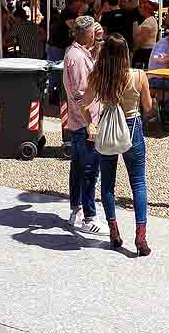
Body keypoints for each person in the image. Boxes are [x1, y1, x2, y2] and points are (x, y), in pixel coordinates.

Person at [82, 35, 153, 256]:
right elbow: (148, 107)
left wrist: (90, 125)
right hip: (132, 128)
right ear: (126, 53)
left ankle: (114, 231)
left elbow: (84, 105)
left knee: (108, 183)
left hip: (108, 128)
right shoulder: (138, 76)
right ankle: (140, 235)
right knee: (138, 183)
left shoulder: (98, 77)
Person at [62, 16, 106, 236]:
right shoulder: (77, 58)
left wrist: (97, 44)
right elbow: (81, 95)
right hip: (85, 123)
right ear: (87, 33)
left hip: (80, 122)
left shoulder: (78, 53)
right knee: (89, 170)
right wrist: (92, 125)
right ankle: (89, 215)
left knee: (79, 167)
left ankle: (76, 210)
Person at [47, 0, 82, 100]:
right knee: (55, 71)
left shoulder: (70, 12)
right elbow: (74, 27)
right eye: (79, 1)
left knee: (58, 72)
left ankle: (55, 94)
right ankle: (53, 95)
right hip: (57, 46)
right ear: (73, 3)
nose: (80, 4)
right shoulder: (68, 13)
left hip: (59, 45)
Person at [132, 0, 159, 69]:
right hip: (148, 50)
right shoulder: (151, 20)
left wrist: (135, 49)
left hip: (145, 52)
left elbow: (143, 38)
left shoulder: (148, 22)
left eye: (141, 8)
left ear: (145, 10)